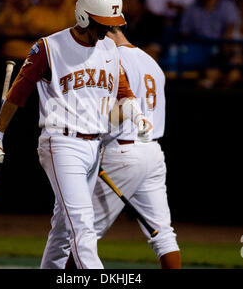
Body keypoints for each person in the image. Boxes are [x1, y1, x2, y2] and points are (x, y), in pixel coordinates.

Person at [0, 0, 153, 269]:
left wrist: (137, 117)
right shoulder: (48, 47)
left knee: (64, 230)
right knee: (83, 228)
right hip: (61, 143)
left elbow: (125, 94)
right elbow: (18, 94)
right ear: (84, 17)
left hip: (94, 146)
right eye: (104, 24)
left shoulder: (110, 47)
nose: (108, 31)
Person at [46, 26, 182, 269]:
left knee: (83, 235)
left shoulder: (111, 57)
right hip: (153, 152)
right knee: (163, 235)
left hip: (123, 151)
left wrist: (84, 133)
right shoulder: (151, 62)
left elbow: (118, 113)